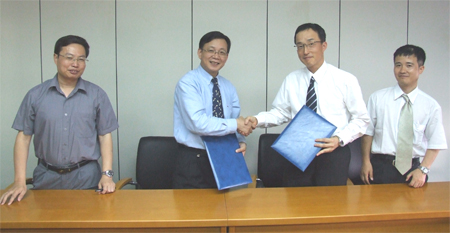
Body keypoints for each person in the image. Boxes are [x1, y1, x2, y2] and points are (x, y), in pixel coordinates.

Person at [245, 23, 369, 187]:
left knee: (330, 205)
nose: (305, 51)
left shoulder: (345, 80)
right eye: (300, 46)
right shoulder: (292, 79)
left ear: (323, 45)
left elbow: (362, 119)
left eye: (311, 44)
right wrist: (257, 119)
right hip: (298, 150)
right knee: (296, 203)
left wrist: (339, 139)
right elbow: (281, 113)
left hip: (333, 151)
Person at [0, 35, 119, 205]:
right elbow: (23, 138)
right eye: (69, 58)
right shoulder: (35, 95)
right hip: (47, 178)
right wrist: (19, 181)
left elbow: (104, 136)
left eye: (81, 59)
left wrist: (107, 175)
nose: (75, 64)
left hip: (85, 178)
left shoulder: (97, 95)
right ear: (56, 58)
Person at [173, 31, 252, 189]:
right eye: (211, 50)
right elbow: (197, 123)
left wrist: (240, 140)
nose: (216, 56)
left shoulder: (228, 86)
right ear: (199, 52)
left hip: (225, 156)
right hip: (194, 160)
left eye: (222, 52)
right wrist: (237, 124)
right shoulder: (188, 83)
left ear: (226, 57)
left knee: (224, 210)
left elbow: (234, 119)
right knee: (193, 211)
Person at [360, 44, 447, 188]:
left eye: (409, 65)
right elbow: (367, 133)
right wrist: (365, 162)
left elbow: (436, 143)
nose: (403, 70)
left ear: (421, 69)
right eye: (398, 65)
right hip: (380, 168)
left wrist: (423, 170)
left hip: (414, 170)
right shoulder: (378, 98)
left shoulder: (430, 105)